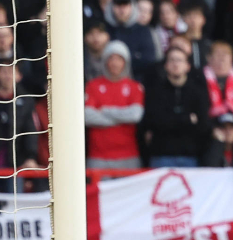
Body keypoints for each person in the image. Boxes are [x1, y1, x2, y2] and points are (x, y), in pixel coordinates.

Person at [139, 47, 209, 168]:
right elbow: (153, 122)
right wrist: (187, 119)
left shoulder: (198, 92)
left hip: (190, 156)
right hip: (161, 155)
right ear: (166, 66)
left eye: (179, 60)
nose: (175, 64)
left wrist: (169, 119)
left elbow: (203, 126)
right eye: (172, 60)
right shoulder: (155, 91)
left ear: (188, 66)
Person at [84, 41, 145, 170]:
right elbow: (87, 116)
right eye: (111, 58)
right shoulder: (93, 86)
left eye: (119, 59)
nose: (114, 63)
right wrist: (121, 118)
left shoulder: (135, 87)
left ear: (126, 62)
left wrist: (105, 111)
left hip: (129, 155)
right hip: (98, 156)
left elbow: (135, 115)